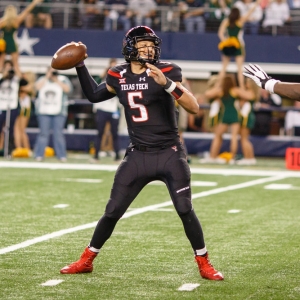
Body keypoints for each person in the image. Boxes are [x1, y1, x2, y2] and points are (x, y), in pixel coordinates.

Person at [59, 26, 223, 281]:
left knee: (184, 208)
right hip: (138, 154)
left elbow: (193, 107)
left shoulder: (167, 70)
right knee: (113, 210)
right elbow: (93, 95)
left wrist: (167, 84)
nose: (149, 49)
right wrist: (80, 65)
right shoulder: (117, 74)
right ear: (130, 48)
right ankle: (87, 259)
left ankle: (204, 262)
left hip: (169, 153)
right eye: (143, 44)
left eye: (151, 44)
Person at [217, 0, 261, 89]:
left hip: (228, 44)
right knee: (240, 69)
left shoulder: (226, 21)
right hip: (238, 45)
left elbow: (220, 33)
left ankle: (217, 86)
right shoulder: (240, 21)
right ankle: (242, 87)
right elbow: (249, 13)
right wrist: (256, 4)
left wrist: (226, 41)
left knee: (223, 68)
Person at [200, 74, 241, 164]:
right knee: (234, 137)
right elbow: (248, 96)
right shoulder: (235, 90)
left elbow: (207, 94)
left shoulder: (221, 91)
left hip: (225, 114)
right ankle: (232, 158)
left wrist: (218, 85)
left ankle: (212, 156)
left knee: (217, 136)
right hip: (234, 114)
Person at [34, 67, 72, 162]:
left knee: (58, 134)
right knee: (43, 134)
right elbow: (37, 88)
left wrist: (56, 80)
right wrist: (47, 77)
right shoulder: (42, 79)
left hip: (59, 111)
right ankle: (39, 154)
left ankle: (61, 155)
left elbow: (68, 90)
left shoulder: (63, 79)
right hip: (43, 111)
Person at [0, 0, 43, 75]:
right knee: (16, 65)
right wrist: (34, 2)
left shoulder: (2, 22)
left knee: (1, 62)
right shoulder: (16, 21)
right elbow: (26, 11)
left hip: (3, 43)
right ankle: (20, 79)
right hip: (12, 43)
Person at [92, 58, 120, 162]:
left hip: (113, 109)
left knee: (115, 133)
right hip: (102, 109)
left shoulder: (119, 79)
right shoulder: (103, 79)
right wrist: (105, 72)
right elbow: (94, 86)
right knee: (99, 133)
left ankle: (117, 155)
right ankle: (96, 156)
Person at [0, 60, 29, 155]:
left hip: (12, 106)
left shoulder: (16, 78)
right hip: (1, 106)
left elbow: (25, 82)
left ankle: (8, 150)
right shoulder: (1, 77)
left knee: (10, 129)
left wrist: (17, 70)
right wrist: (4, 75)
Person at [236, 77, 260, 165]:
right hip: (245, 116)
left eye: (247, 83)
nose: (246, 84)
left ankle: (248, 157)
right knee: (244, 138)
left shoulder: (251, 93)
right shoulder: (249, 92)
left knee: (244, 138)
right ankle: (250, 158)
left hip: (247, 117)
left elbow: (240, 93)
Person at [13, 71, 36, 155]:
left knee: (22, 129)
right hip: (18, 107)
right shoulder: (21, 83)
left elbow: (28, 90)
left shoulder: (29, 85)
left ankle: (27, 149)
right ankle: (18, 148)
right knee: (16, 129)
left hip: (25, 108)